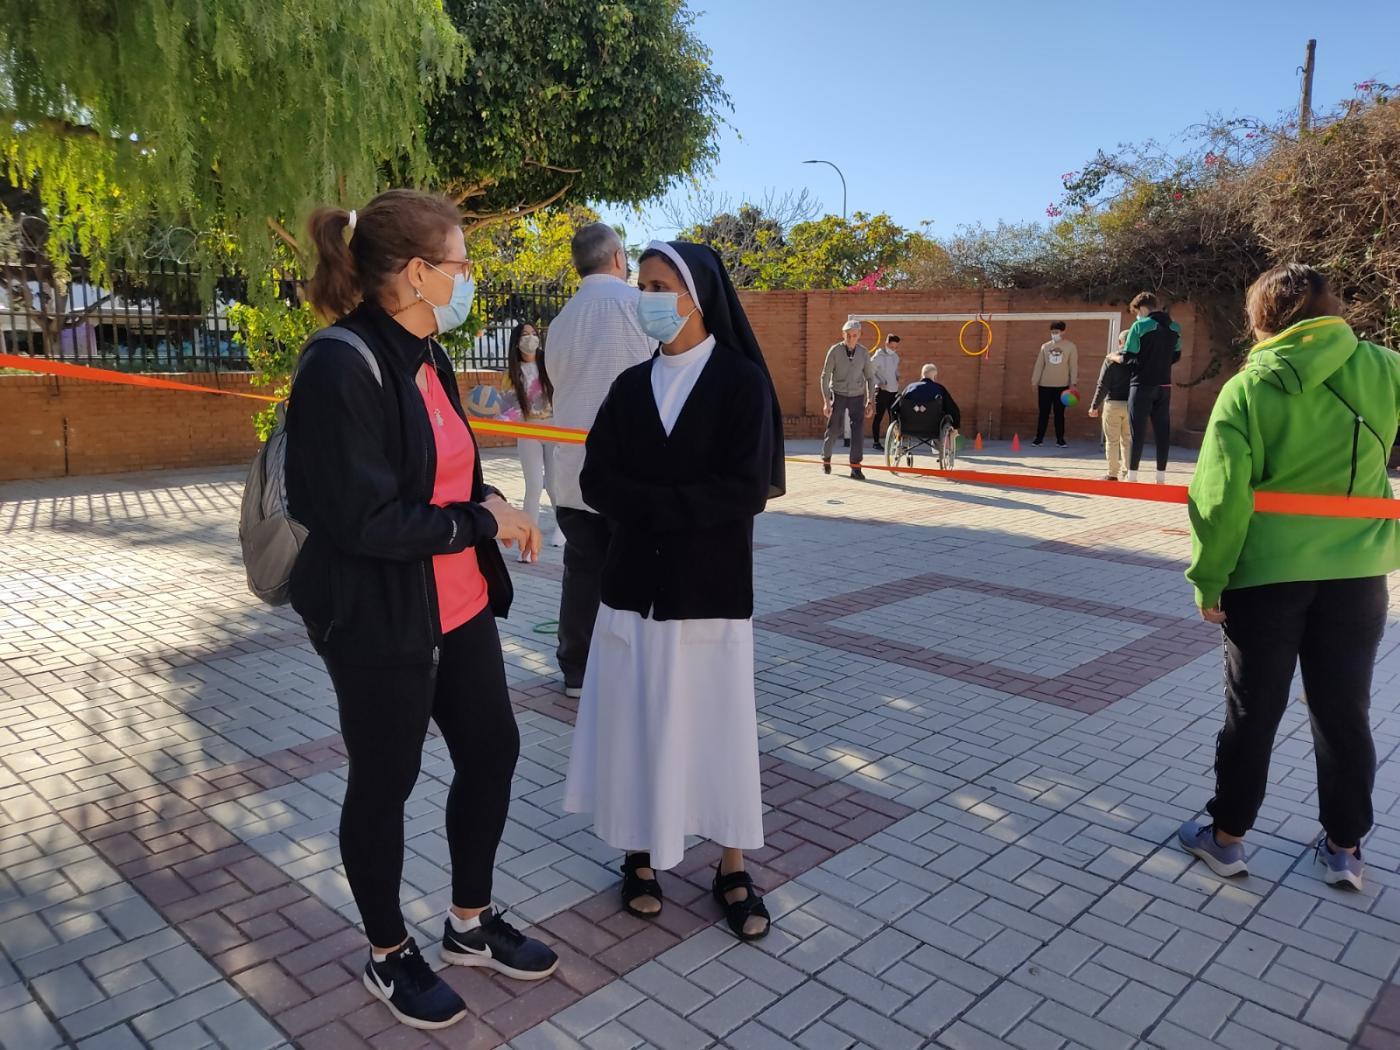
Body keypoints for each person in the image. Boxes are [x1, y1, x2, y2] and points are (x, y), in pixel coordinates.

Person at [285, 191, 558, 1030]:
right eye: (461, 264)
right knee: (386, 780)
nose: (469, 279)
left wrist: (489, 501)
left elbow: (443, 474)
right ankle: (387, 951)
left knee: (493, 750)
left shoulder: (429, 354)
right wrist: (480, 518)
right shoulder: (340, 364)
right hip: (378, 617)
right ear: (415, 272)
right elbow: (362, 519)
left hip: (458, 601)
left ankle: (469, 926)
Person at [563, 240, 784, 942]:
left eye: (661, 286)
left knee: (716, 727)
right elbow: (596, 478)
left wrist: (653, 504)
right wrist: (662, 503)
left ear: (698, 296)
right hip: (632, 590)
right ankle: (640, 854)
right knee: (639, 724)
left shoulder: (740, 382)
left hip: (709, 592)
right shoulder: (630, 386)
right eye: (644, 285)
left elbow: (746, 488)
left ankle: (731, 863)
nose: (648, 298)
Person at [1178, 264, 1400, 891]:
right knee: (1344, 711)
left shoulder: (1249, 387)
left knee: (1253, 711)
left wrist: (1209, 578)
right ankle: (1345, 848)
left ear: (1262, 317)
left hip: (1266, 577)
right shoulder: (1387, 368)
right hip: (1358, 574)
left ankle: (1226, 841)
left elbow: (1221, 499)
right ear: (1334, 307)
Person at [545, 222, 654, 698]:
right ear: (616, 257)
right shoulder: (640, 309)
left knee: (582, 567)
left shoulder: (562, 321)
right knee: (635, 568)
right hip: (631, 470)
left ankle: (576, 666)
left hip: (571, 469)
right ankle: (631, 666)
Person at [502, 322, 562, 557]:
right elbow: (508, 407)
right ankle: (527, 544)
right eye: (525, 335)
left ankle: (564, 528)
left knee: (555, 485)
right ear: (516, 342)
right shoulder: (511, 374)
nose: (530, 338)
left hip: (553, 427)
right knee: (534, 486)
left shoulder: (549, 365)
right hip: (527, 430)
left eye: (534, 334)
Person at [1116, 291, 1181, 483]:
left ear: (1140, 308)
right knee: (1162, 431)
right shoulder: (1175, 326)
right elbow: (1176, 355)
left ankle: (1132, 475)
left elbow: (1128, 356)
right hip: (1164, 385)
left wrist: (1115, 357)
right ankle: (1160, 476)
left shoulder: (1139, 326)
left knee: (1137, 431)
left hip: (1142, 384)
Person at [821, 319, 875, 478]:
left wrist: (870, 400)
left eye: (854, 335)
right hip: (838, 394)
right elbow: (825, 376)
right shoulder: (834, 351)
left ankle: (856, 467)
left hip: (857, 395)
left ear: (859, 335)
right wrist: (826, 400)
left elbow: (870, 377)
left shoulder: (864, 352)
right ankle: (826, 458)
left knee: (857, 431)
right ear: (843, 334)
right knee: (834, 429)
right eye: (848, 335)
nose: (851, 338)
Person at [1088, 329, 1133, 480]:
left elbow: (1102, 385)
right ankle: (1129, 474)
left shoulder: (1110, 360)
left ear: (1120, 342)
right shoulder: (1138, 360)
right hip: (1131, 405)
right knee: (1127, 440)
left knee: (1112, 441)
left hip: (1112, 403)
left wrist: (1094, 405)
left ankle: (1112, 473)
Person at [1031, 321, 1077, 447]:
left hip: (1062, 386)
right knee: (1043, 413)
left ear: (1063, 332)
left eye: (1056, 332)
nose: (1054, 334)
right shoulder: (1045, 347)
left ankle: (1060, 439)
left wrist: (1073, 383)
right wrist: (1035, 381)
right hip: (1045, 385)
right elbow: (1039, 365)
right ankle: (1038, 439)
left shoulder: (1070, 346)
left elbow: (1073, 366)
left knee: (1059, 414)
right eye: (1052, 332)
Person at [892, 362, 961, 434]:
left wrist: (896, 424)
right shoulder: (940, 389)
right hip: (934, 428)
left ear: (922, 375)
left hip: (908, 426)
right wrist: (955, 426)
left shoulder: (910, 387)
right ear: (935, 376)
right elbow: (952, 409)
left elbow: (893, 407)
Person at [870, 333, 902, 450]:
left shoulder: (895, 357)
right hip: (882, 391)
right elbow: (869, 372)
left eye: (895, 347)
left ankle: (893, 442)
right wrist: (879, 383)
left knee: (894, 417)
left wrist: (897, 376)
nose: (893, 349)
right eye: (892, 347)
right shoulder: (877, 357)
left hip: (893, 391)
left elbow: (895, 370)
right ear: (886, 344)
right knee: (879, 416)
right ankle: (876, 442)